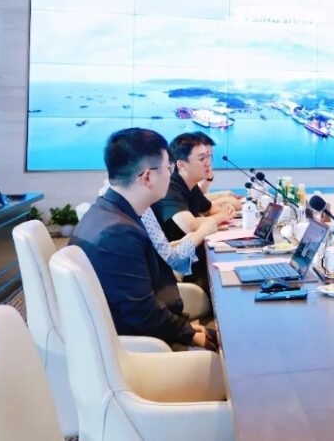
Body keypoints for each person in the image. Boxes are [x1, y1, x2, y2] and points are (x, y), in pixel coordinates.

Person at [70, 128, 213, 350]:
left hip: (151, 326)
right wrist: (188, 333)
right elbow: (142, 313)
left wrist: (185, 328)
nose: (171, 175)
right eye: (168, 168)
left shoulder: (106, 212)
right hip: (143, 347)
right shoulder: (118, 234)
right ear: (147, 177)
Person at [152, 133, 232, 292]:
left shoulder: (191, 185)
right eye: (202, 159)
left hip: (192, 260)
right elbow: (191, 226)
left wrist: (214, 217)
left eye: (209, 156)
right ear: (181, 165)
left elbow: (211, 210)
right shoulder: (171, 187)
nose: (208, 163)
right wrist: (219, 217)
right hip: (178, 272)